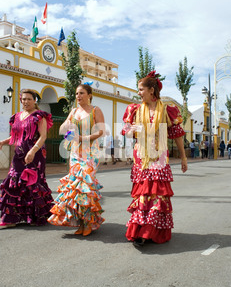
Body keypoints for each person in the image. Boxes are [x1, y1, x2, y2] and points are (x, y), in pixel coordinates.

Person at [121, 71, 188, 247]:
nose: (138, 93)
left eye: (141, 89)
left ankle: (150, 231)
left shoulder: (166, 110)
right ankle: (141, 231)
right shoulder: (134, 110)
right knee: (143, 194)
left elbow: (177, 135)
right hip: (141, 158)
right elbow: (127, 132)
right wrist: (133, 129)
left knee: (157, 194)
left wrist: (183, 157)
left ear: (151, 90)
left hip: (159, 156)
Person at [48, 84, 105, 236]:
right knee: (76, 188)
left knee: (85, 187)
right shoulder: (73, 111)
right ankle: (80, 222)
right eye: (77, 94)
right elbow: (62, 129)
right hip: (75, 153)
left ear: (89, 95)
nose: (78, 96)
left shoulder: (95, 110)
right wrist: (66, 127)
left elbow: (101, 131)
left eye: (82, 93)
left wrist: (83, 137)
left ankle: (88, 222)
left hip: (90, 153)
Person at [0, 89, 54, 229]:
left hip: (35, 154)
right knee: (13, 182)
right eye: (23, 99)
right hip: (19, 154)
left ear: (35, 101)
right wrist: (2, 142)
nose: (26, 102)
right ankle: (11, 218)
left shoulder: (39, 116)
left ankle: (36, 216)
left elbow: (43, 136)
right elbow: (15, 137)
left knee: (33, 184)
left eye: (29, 99)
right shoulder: (17, 116)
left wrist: (32, 151)